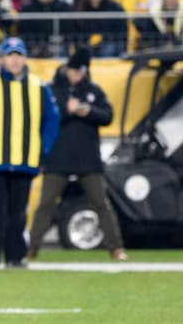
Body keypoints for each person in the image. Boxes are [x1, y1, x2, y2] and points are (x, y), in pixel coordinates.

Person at [0, 37, 60, 271]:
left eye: (19, 55)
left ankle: (16, 256)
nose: (15, 60)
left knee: (18, 212)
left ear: (25, 58)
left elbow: (52, 121)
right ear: (3, 59)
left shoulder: (39, 87)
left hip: (25, 160)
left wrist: (42, 148)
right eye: (11, 56)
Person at [28, 48, 127, 261]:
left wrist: (88, 111)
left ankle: (116, 248)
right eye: (74, 71)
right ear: (67, 69)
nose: (77, 75)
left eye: (81, 71)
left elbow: (107, 115)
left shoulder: (94, 91)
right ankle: (32, 246)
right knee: (46, 203)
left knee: (101, 203)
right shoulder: (53, 90)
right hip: (58, 157)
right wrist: (68, 110)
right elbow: (44, 117)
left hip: (88, 159)